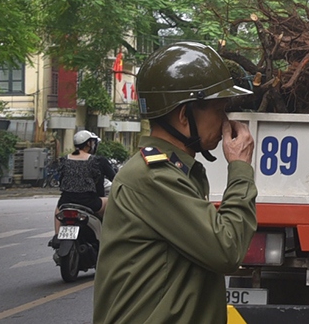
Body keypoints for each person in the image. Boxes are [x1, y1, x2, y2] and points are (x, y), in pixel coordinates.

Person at [93, 42, 257, 324]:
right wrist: (240, 168)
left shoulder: (173, 170)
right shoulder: (155, 176)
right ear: (184, 116)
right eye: (218, 110)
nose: (225, 121)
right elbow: (226, 249)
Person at [55, 130, 117, 228]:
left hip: (66, 200)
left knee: (59, 208)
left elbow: (61, 180)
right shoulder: (98, 161)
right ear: (88, 143)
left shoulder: (65, 160)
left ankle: (57, 237)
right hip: (89, 202)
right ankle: (107, 237)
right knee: (111, 203)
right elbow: (116, 179)